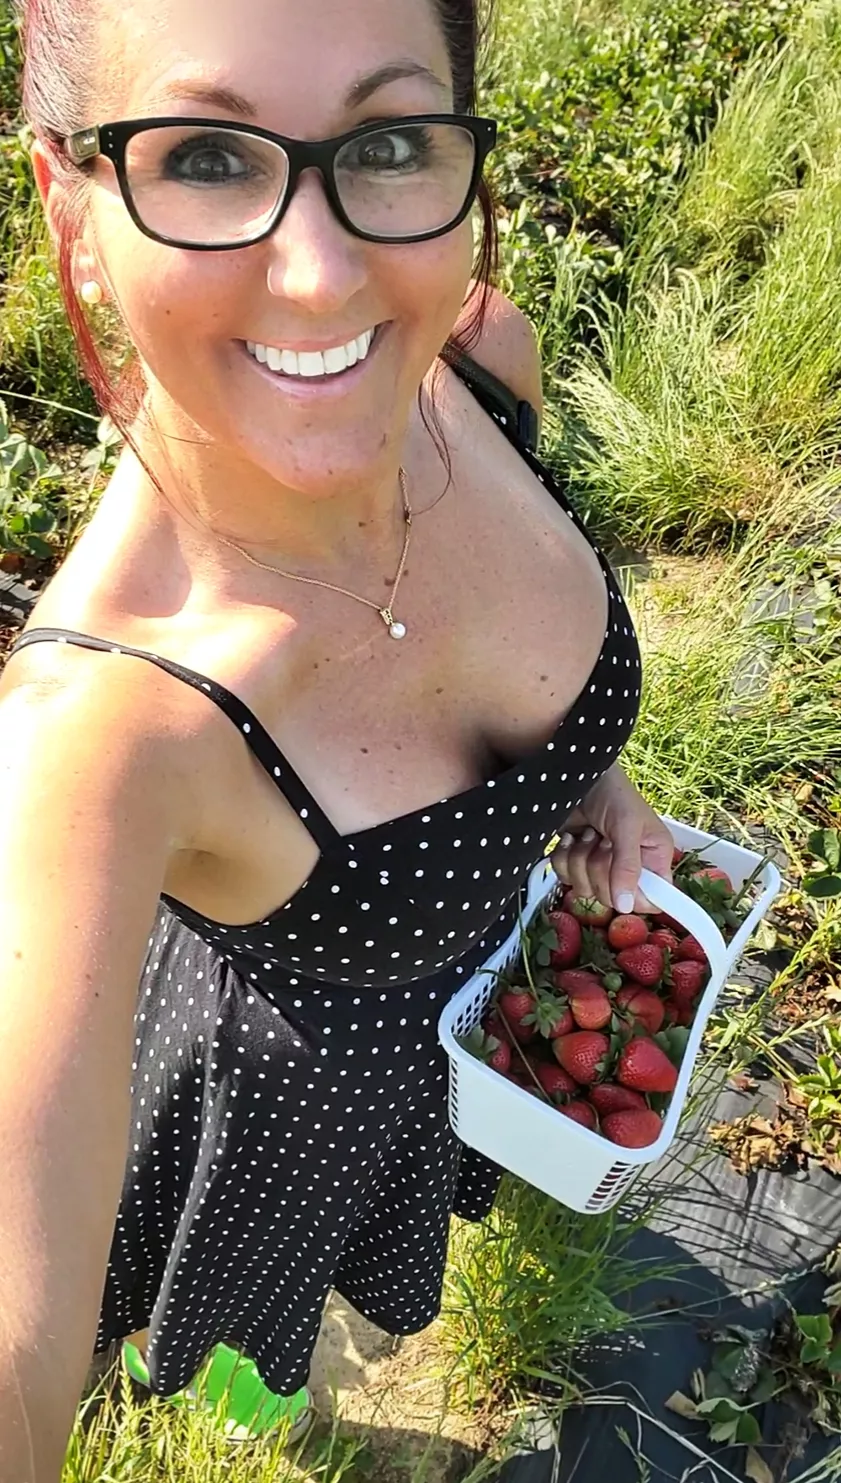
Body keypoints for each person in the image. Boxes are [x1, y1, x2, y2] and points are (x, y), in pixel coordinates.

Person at [0, 0, 675, 1473]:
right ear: (73, 203)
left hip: (447, 1029)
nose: (318, 275)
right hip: (279, 1104)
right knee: (244, 1330)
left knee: (388, 1234)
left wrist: (596, 780)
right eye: (204, 158)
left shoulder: (481, 358)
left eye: (386, 141)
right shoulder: (100, 731)